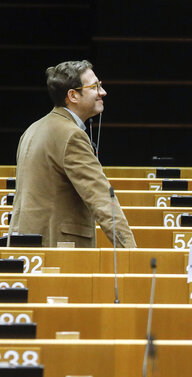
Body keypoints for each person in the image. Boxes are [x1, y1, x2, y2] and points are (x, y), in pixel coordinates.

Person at [10, 60, 136, 248]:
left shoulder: (32, 129)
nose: (103, 92)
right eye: (95, 87)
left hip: (26, 246)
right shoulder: (72, 135)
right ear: (73, 95)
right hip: (59, 250)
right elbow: (101, 198)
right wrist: (131, 252)